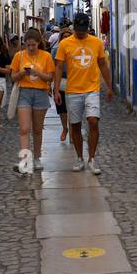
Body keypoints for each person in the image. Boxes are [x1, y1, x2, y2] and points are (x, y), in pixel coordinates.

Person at [53, 12, 114, 174]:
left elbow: (102, 64)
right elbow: (58, 67)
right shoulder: (65, 44)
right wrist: (56, 89)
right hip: (72, 90)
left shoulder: (97, 43)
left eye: (83, 29)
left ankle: (92, 158)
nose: (80, 32)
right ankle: (79, 158)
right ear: (74, 27)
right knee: (75, 125)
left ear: (87, 27)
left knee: (93, 121)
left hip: (92, 89)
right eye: (78, 29)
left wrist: (109, 86)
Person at [9, 28, 56, 174]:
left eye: (33, 45)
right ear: (24, 44)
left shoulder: (46, 56)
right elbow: (13, 77)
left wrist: (37, 73)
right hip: (24, 93)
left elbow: (50, 78)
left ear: (38, 43)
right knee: (24, 129)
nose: (30, 48)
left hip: (41, 93)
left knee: (37, 129)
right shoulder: (19, 56)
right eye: (27, 45)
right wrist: (23, 72)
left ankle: (37, 158)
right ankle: (24, 161)